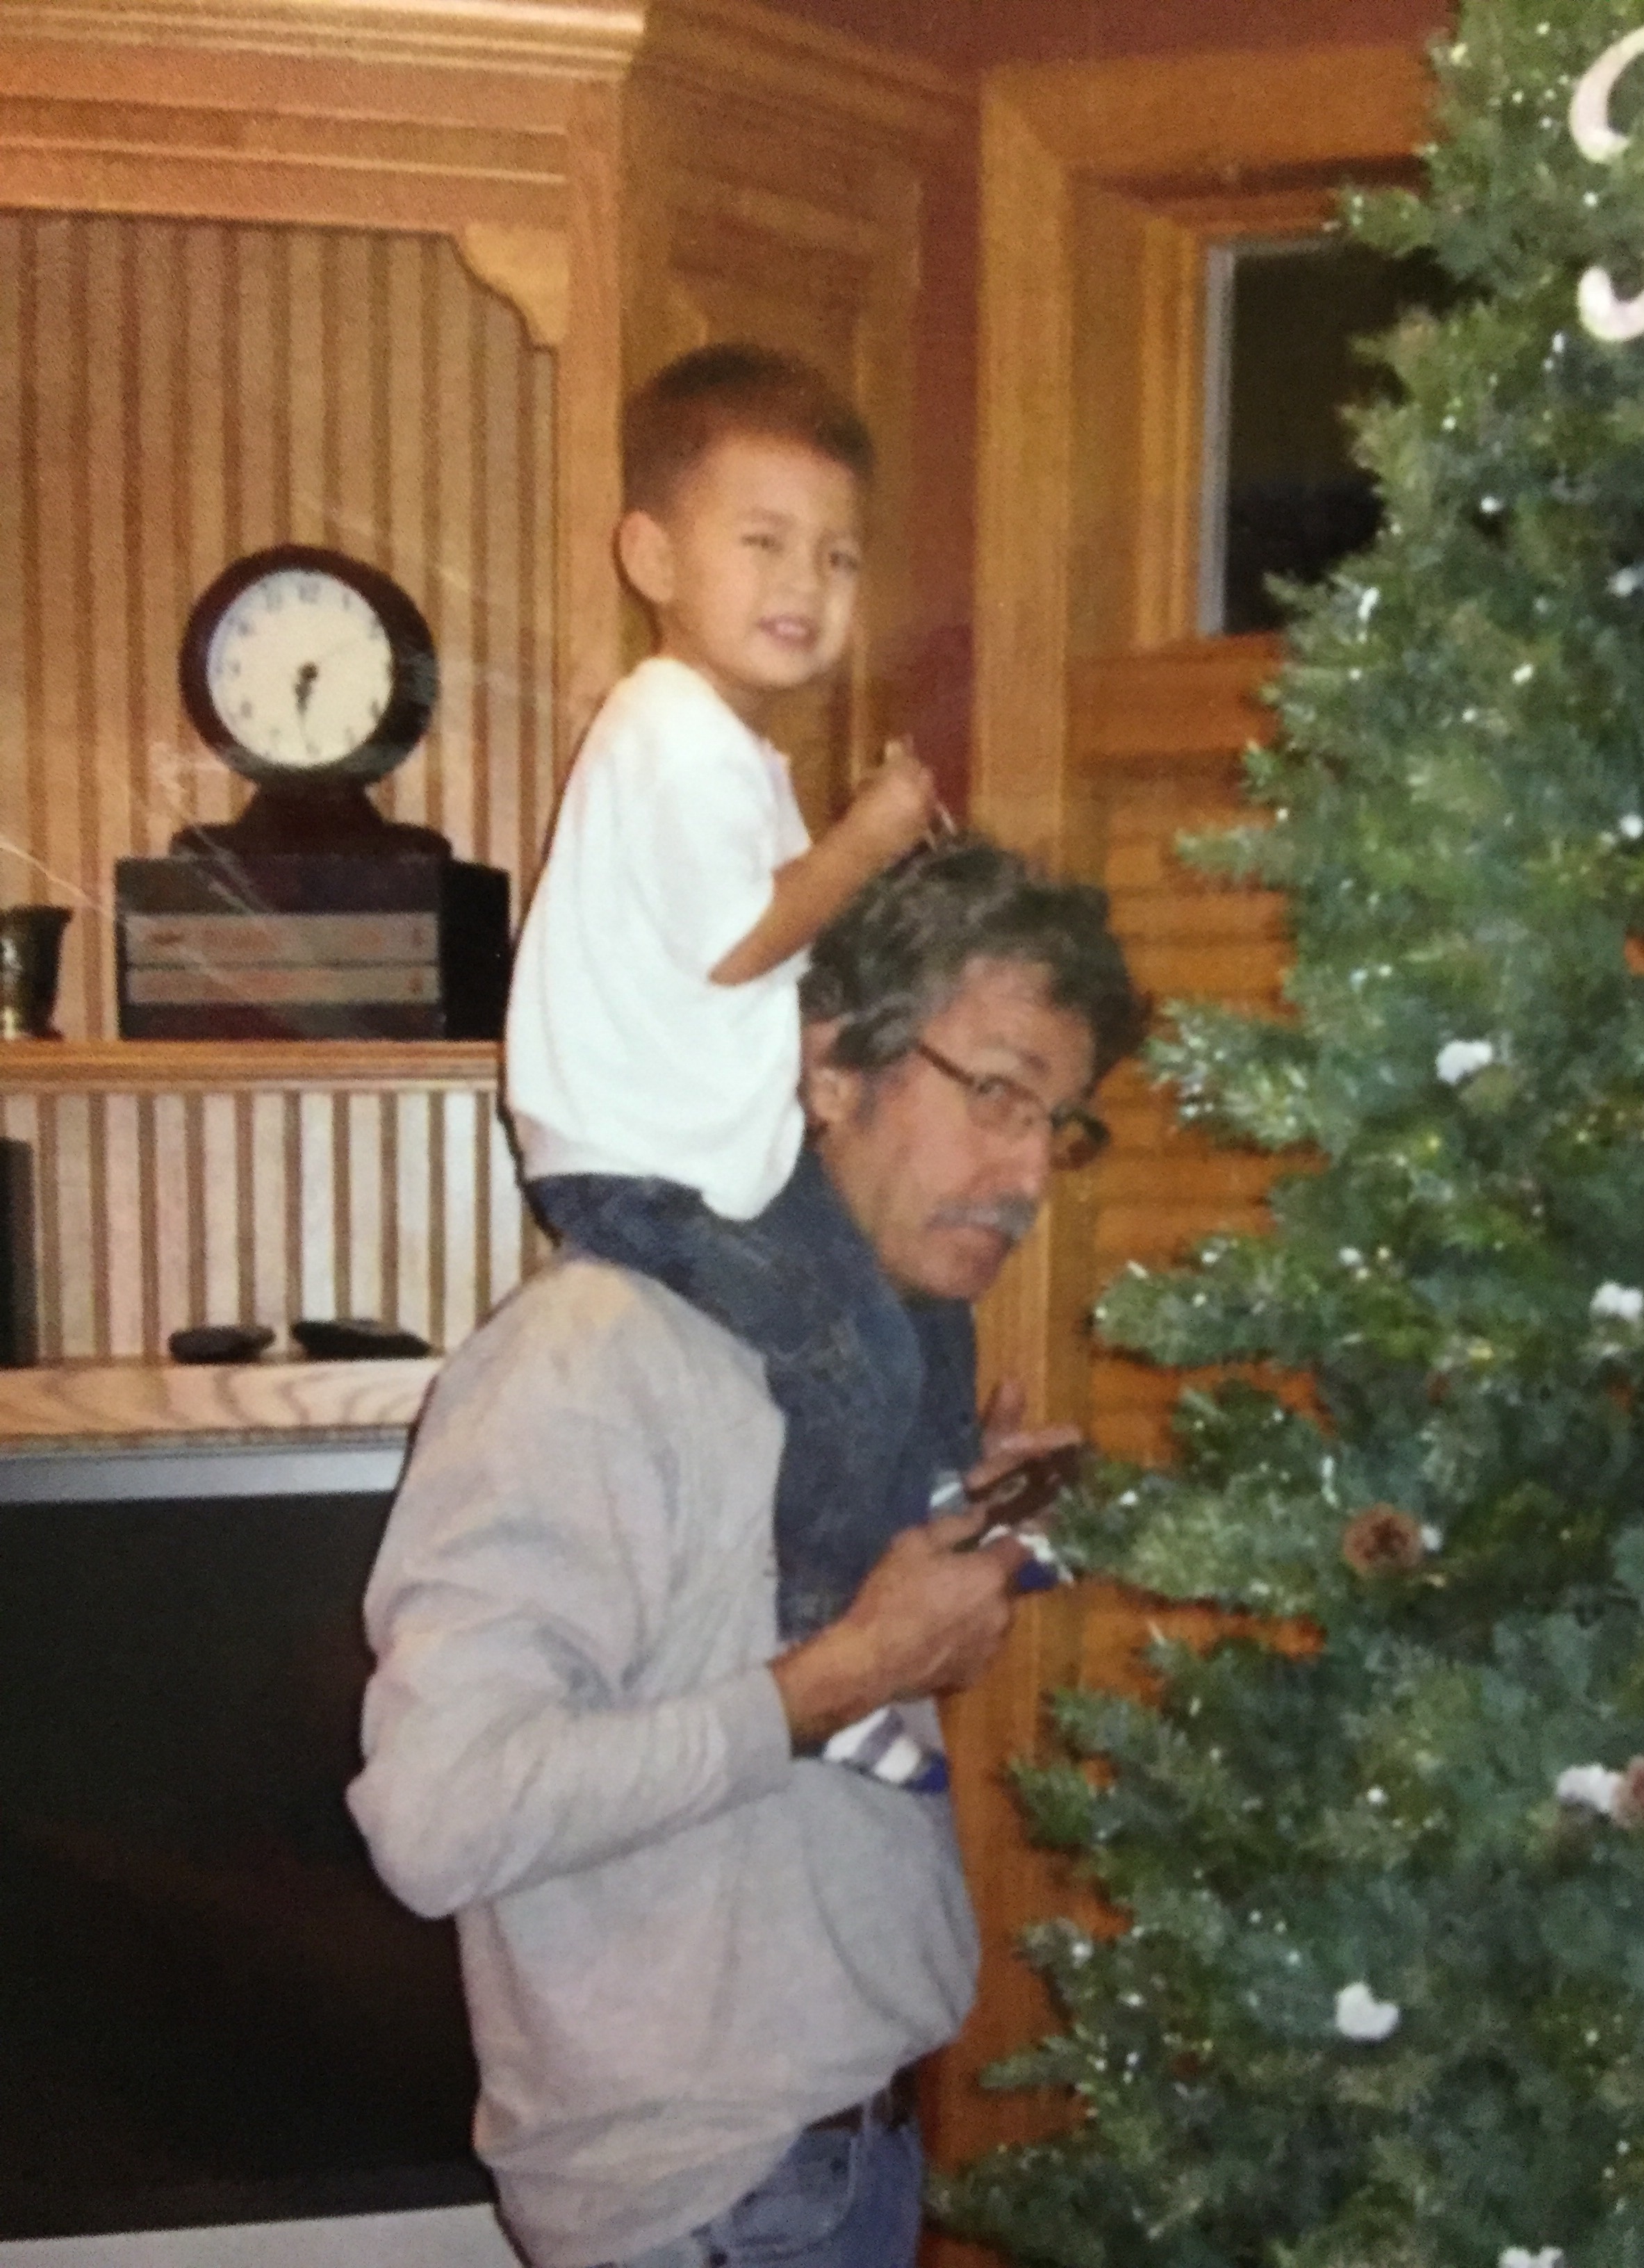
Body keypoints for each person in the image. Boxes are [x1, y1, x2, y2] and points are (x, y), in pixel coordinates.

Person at [350, 838, 1144, 2268]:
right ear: (832, 1066)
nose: (1031, 1172)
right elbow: (439, 1815)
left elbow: (767, 1667)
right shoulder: (593, 1358)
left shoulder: (871, 1358)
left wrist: (958, 1540)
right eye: (996, 1095)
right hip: (718, 2208)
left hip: (833, 2160)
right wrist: (847, 1675)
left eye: (1061, 1124)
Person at [503, 345, 955, 1716]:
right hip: (649, 1167)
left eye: (837, 557)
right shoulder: (674, 733)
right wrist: (870, 838)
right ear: (651, 555)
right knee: (856, 1360)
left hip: (691, 1151)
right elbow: (741, 941)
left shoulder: (722, 747)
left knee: (914, 1312)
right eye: (763, 542)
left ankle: (919, 1523)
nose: (803, 583)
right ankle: (828, 1664)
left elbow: (762, 961)